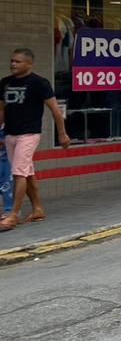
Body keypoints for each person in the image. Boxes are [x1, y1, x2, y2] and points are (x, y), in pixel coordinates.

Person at [0, 48, 71, 232]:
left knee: (18, 173)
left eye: (18, 61)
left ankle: (13, 215)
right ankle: (38, 209)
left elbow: (55, 110)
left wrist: (62, 133)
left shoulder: (39, 83)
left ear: (29, 63)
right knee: (26, 172)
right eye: (12, 61)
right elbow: (1, 110)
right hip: (10, 133)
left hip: (29, 134)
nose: (13, 64)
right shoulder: (5, 83)